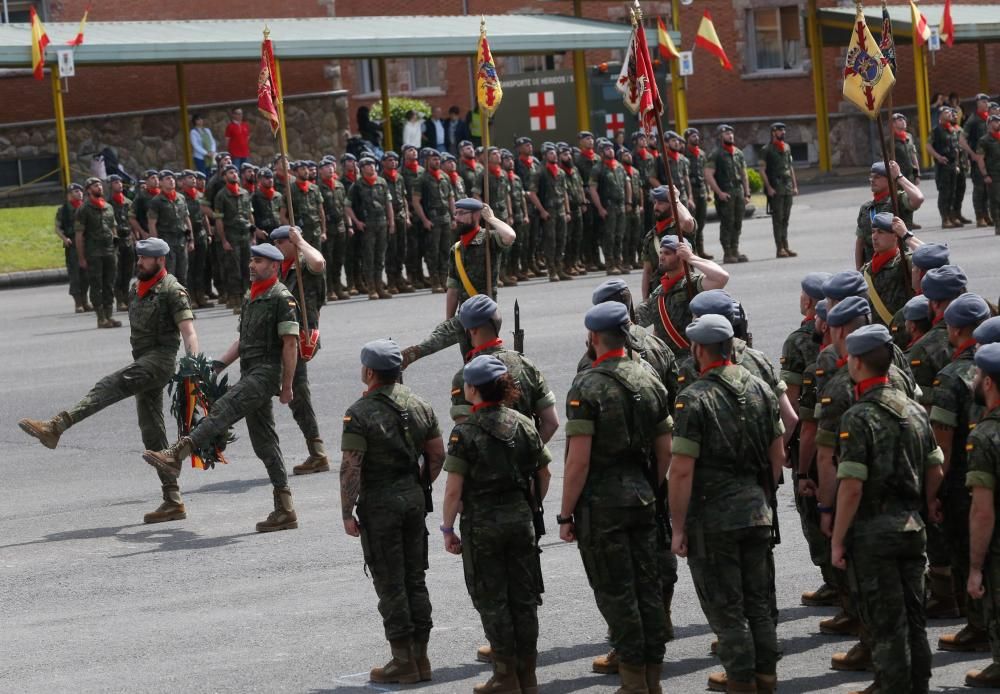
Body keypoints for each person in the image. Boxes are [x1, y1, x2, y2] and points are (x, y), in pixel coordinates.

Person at [19, 238, 200, 524]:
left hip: (160, 361)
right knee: (151, 431)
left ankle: (56, 426)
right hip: (143, 360)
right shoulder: (136, 288)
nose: (139, 262)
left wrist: (193, 364)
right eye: (138, 257)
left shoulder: (172, 290)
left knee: (108, 385)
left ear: (160, 261)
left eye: (145, 259)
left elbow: (188, 331)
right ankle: (173, 500)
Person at [143, 242, 300, 533]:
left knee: (223, 408)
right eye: (252, 259)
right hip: (250, 369)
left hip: (266, 374)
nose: (252, 265)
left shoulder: (282, 298)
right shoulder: (252, 296)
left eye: (259, 261)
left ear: (275, 266)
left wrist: (287, 385)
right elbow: (243, 340)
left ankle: (176, 455)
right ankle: (285, 507)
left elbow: (291, 344)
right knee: (265, 442)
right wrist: (217, 365)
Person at [560, 301, 673, 694]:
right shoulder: (649, 378)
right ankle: (652, 679)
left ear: (593, 338)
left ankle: (633, 681)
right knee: (648, 588)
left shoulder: (587, 385)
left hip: (602, 504)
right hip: (643, 496)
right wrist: (650, 487)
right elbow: (665, 449)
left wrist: (564, 514)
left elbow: (578, 460)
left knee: (616, 592)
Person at [670, 314, 784, 693]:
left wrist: (677, 526)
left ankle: (740, 683)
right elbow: (776, 455)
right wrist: (763, 498)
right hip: (756, 509)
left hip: (713, 518)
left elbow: (682, 471)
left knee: (728, 611)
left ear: (700, 350)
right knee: (759, 604)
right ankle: (766, 680)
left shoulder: (693, 399)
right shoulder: (761, 389)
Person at [830, 323, 944, 694]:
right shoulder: (914, 409)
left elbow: (850, 487)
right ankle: (917, 685)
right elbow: (935, 467)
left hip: (874, 532)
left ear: (857, 363)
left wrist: (838, 538)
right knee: (914, 618)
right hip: (912, 526)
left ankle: (891, 687)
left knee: (885, 622)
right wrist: (925, 505)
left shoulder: (858, 417)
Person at [442, 355, 552, 693]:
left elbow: (454, 489)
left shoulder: (465, 431)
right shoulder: (523, 423)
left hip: (482, 525)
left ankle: (505, 676)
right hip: (521, 520)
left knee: (493, 600)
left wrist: (448, 528)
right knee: (524, 598)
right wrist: (531, 503)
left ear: (473, 390)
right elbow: (543, 473)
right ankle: (527, 676)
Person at [340, 338, 445, 685]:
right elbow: (437, 455)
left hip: (380, 505)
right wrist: (417, 483)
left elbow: (351, 468)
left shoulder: (359, 413)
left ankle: (402, 661)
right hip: (413, 500)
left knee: (391, 581)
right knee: (415, 577)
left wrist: (347, 513)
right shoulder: (421, 404)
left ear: (369, 372)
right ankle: (422, 657)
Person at [932, 293, 994, 654]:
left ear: (954, 328)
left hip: (966, 483)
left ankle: (979, 626)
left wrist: (934, 491)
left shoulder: (952, 376)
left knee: (970, 554)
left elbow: (943, 445)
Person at [269, 225, 329, 476]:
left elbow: (319, 262)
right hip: (276, 338)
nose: (277, 247)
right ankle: (316, 453)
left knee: (298, 394)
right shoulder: (277, 269)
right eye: (275, 243)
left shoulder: (303, 266)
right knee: (294, 395)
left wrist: (301, 241)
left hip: (298, 336)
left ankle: (317, 454)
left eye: (282, 242)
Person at [965, 343, 1000, 688]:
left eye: (977, 374)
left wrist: (975, 567)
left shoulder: (986, 436)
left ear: (988, 383)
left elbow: (983, 510)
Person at [635, 235, 729, 356]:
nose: (661, 257)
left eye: (667, 253)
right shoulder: (658, 293)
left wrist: (691, 257)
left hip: (694, 359)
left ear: (681, 257)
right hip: (669, 364)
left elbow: (722, 277)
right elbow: (639, 322)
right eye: (661, 252)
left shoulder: (693, 284)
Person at [854, 160, 924, 269]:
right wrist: (859, 270)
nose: (872, 180)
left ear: (889, 180)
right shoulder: (866, 208)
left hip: (896, 267)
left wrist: (899, 176)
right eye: (871, 177)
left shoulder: (898, 200)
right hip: (872, 269)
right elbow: (860, 241)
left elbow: (918, 198)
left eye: (877, 177)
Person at [860, 212, 922, 328]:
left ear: (895, 236)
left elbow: (931, 256)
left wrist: (906, 235)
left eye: (881, 232)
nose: (874, 236)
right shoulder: (865, 270)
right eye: (873, 232)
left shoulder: (904, 262)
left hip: (902, 334)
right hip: (875, 336)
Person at [345, 156, 395, 300]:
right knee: (369, 258)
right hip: (367, 226)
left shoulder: (382, 182)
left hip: (382, 223)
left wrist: (391, 222)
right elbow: (347, 206)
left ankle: (380, 287)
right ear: (361, 168)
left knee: (380, 257)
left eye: (373, 164)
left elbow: (388, 203)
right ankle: (371, 289)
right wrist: (356, 221)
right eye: (367, 165)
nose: (371, 167)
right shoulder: (357, 185)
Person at [76, 177, 120, 329]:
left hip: (109, 251)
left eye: (100, 185)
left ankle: (109, 315)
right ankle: (101, 318)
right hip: (93, 253)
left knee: (109, 284)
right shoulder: (84, 209)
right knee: (97, 285)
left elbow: (113, 227)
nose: (99, 187)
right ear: (88, 190)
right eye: (95, 186)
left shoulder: (108, 207)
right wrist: (81, 257)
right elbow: (79, 235)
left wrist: (116, 243)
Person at [639, 186, 697, 300]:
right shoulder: (651, 236)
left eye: (661, 203)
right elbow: (647, 272)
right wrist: (645, 300)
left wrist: (676, 200)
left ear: (671, 205)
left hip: (682, 290)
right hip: (659, 294)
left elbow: (687, 221)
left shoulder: (680, 229)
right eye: (655, 203)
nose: (656, 207)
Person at [213, 164, 257, 312]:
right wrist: (224, 240)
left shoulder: (244, 193)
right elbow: (219, 220)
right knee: (234, 268)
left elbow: (250, 215)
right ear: (225, 177)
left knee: (248, 267)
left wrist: (253, 233)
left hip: (245, 234)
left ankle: (248, 296)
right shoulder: (221, 195)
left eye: (235, 172)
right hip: (231, 235)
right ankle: (235, 299)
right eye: (230, 173)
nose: (234, 175)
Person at [705, 124, 751, 264]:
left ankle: (735, 250)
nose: (730, 136)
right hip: (726, 193)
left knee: (737, 222)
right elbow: (708, 174)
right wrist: (719, 193)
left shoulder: (738, 153)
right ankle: (727, 253)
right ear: (720, 136)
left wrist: (747, 193)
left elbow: (744, 174)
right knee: (727, 223)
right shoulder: (716, 154)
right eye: (726, 134)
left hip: (738, 192)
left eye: (731, 133)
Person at [412, 149, 455, 294]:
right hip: (432, 220)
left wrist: (454, 216)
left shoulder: (444, 177)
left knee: (446, 252)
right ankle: (435, 281)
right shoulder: (421, 179)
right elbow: (416, 201)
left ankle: (444, 280)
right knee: (433, 252)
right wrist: (424, 220)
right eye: (433, 159)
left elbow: (450, 198)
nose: (436, 161)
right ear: (427, 161)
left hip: (446, 219)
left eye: (438, 159)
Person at [531, 143, 572, 281]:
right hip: (548, 212)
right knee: (550, 241)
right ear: (544, 156)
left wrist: (567, 210)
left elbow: (564, 192)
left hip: (560, 211)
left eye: (554, 152)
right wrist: (542, 210)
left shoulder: (560, 172)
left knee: (562, 240)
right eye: (550, 153)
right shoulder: (540, 171)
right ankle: (552, 270)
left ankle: (560, 269)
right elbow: (532, 193)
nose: (554, 155)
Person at [588, 139, 629, 275]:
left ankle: (619, 262)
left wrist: (628, 202)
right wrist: (600, 208)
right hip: (608, 206)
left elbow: (626, 184)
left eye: (611, 148)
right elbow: (593, 189)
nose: (610, 150)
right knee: (609, 236)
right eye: (606, 149)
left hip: (621, 205)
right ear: (601, 152)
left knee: (620, 235)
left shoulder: (619, 166)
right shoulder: (597, 168)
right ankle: (610, 264)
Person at [759, 122, 799, 258]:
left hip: (787, 187)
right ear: (773, 132)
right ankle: (779, 248)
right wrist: (769, 188)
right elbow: (762, 170)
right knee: (778, 219)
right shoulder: (767, 149)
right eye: (780, 131)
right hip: (776, 188)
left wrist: (795, 185)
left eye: (784, 130)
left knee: (785, 218)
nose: (783, 133)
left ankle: (786, 246)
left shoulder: (787, 147)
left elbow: (790, 167)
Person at [147, 170, 193, 288]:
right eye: (167, 179)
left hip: (181, 240)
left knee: (183, 272)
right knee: (169, 274)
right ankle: (170, 302)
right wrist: (156, 246)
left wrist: (191, 239)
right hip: (166, 241)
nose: (171, 180)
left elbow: (186, 219)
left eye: (172, 178)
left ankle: (182, 299)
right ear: (161, 183)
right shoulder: (156, 201)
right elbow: (152, 223)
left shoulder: (181, 198)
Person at [56, 183, 91, 314]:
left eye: (80, 191)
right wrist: (64, 238)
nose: (79, 193)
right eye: (76, 191)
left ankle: (85, 301)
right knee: (75, 275)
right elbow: (57, 227)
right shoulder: (63, 210)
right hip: (72, 246)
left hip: (86, 244)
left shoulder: (86, 208)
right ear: (69, 195)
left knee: (86, 275)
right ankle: (78, 303)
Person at [927, 107, 965, 228]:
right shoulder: (936, 130)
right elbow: (928, 146)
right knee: (944, 192)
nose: (949, 114)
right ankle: (945, 218)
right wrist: (938, 157)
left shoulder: (952, 130)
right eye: (946, 112)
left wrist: (958, 164)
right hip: (943, 166)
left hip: (953, 164)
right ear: (940, 115)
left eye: (949, 112)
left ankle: (952, 216)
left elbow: (956, 148)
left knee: (953, 192)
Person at [381, 151, 413, 294]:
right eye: (389, 160)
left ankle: (400, 277)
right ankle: (391, 281)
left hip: (400, 215)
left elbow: (404, 198)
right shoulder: (381, 179)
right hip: (388, 217)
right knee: (391, 250)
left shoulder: (399, 178)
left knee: (402, 249)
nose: (393, 162)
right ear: (383, 163)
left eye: (394, 160)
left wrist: (406, 216)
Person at [283, 160, 327, 250]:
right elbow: (282, 215)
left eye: (307, 168)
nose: (306, 171)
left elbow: (321, 211)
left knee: (317, 258)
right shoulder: (290, 189)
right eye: (303, 169)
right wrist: (293, 232)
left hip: (316, 231)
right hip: (301, 232)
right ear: (295, 172)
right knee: (303, 260)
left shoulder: (314, 188)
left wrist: (323, 231)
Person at [108, 174, 135, 312]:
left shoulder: (128, 202)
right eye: (115, 182)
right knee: (118, 271)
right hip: (115, 242)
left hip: (128, 240)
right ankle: (119, 300)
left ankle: (126, 297)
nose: (119, 184)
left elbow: (132, 221)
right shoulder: (107, 204)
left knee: (128, 271)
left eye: (120, 182)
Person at [975, 113, 1000, 235]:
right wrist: (985, 175)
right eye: (996, 121)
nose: (998, 123)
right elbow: (980, 158)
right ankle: (998, 225)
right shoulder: (984, 140)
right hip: (993, 175)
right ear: (990, 124)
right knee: (995, 201)